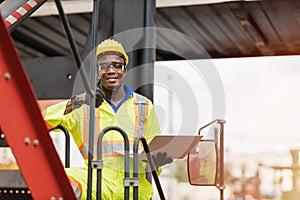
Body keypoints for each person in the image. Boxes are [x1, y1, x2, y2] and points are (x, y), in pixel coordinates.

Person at [42, 39, 172, 199]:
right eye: (104, 66)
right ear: (97, 71)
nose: (111, 70)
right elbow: (40, 124)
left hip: (134, 188)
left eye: (117, 65)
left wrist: (157, 161)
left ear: (125, 70)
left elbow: (154, 152)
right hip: (97, 184)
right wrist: (77, 101)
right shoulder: (82, 107)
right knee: (58, 177)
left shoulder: (144, 106)